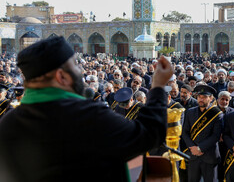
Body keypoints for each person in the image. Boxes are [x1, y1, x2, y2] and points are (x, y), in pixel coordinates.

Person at [0, 36, 174, 182]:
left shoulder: (7, 124)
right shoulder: (87, 117)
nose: (80, 70)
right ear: (61, 76)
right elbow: (150, 134)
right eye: (75, 65)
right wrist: (158, 86)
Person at [180, 85, 223, 182]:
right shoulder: (190, 112)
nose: (201, 99)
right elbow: (185, 132)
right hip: (193, 155)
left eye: (204, 97)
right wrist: (192, 148)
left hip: (209, 156)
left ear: (211, 98)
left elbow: (215, 136)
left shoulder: (217, 114)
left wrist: (200, 148)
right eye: (199, 97)